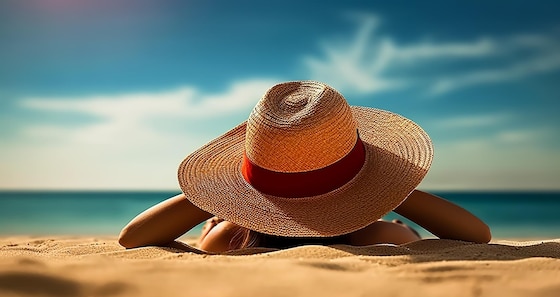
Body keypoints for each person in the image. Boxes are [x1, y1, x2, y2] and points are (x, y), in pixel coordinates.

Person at [119, 81, 491, 253]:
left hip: (255, 234)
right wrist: (390, 195)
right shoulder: (377, 235)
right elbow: (478, 235)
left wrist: (216, 200)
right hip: (364, 229)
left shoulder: (230, 237)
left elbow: (131, 238)